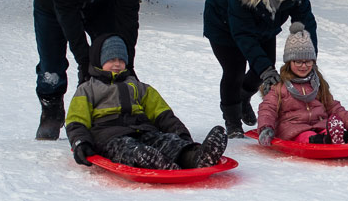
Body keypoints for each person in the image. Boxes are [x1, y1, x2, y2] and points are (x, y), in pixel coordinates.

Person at [32, 0, 142, 140]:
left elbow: (128, 16)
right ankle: (52, 109)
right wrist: (84, 62)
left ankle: (109, 111)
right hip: (53, 6)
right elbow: (68, 13)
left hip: (98, 5)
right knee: (52, 64)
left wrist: (127, 61)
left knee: (111, 52)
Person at [203, 0, 318, 139]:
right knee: (235, 71)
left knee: (264, 67)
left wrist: (310, 58)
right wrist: (265, 69)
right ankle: (232, 122)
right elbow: (243, 34)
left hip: (264, 25)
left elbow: (306, 22)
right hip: (223, 26)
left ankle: (243, 97)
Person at [66, 35, 228, 170]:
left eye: (121, 60)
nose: (117, 64)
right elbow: (76, 121)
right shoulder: (87, 89)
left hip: (143, 131)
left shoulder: (139, 87)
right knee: (128, 149)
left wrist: (181, 135)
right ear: (98, 62)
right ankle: (152, 161)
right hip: (108, 136)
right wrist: (81, 143)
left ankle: (196, 157)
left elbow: (162, 114)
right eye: (111, 59)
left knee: (166, 142)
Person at [256, 23, 348, 146]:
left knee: (328, 131)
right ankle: (327, 140)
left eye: (308, 61)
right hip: (293, 129)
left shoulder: (317, 84)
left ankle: (342, 136)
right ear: (289, 62)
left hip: (321, 125)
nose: (303, 66)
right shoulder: (280, 86)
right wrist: (266, 128)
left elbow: (332, 107)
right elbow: (267, 109)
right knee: (307, 136)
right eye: (298, 62)